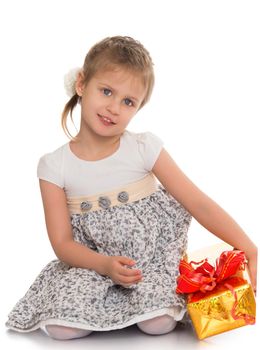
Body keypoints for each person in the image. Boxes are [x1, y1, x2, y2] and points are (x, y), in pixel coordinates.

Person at [6, 36, 257, 341]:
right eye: (107, 91)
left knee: (158, 323)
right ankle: (103, 306)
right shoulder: (54, 166)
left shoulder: (142, 148)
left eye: (128, 102)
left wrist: (249, 247)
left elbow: (197, 202)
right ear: (82, 84)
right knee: (62, 329)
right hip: (92, 264)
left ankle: (142, 306)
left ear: (138, 108)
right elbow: (62, 243)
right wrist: (104, 265)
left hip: (148, 263)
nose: (114, 108)